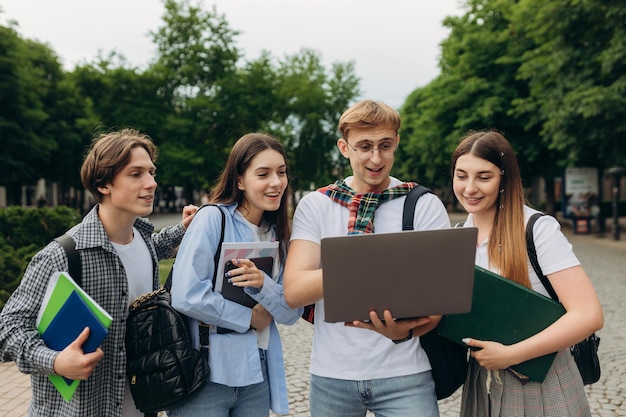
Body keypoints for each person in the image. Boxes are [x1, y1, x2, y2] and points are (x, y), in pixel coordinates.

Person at [0, 128, 199, 417]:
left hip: (141, 407)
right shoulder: (63, 255)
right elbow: (8, 328)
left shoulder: (143, 241)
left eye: (152, 172)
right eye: (136, 174)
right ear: (104, 185)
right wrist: (55, 361)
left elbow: (150, 249)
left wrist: (183, 230)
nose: (152, 183)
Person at [283, 99, 450, 417]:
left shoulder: (423, 204)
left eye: (385, 146)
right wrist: (366, 261)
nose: (376, 158)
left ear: (397, 143)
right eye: (364, 147)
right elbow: (294, 291)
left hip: (406, 373)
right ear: (344, 148)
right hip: (333, 375)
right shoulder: (316, 205)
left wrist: (407, 331)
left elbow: (440, 300)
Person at [451, 130, 604, 416]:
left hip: (541, 379)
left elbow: (588, 314)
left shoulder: (536, 228)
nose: (470, 188)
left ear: (504, 179)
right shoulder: (457, 236)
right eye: (461, 175)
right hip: (481, 380)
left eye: (484, 177)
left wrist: (511, 355)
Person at [168, 133, 303, 417]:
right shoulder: (212, 218)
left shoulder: (280, 233)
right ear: (240, 180)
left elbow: (292, 312)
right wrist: (248, 318)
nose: (276, 182)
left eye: (281, 172)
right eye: (263, 174)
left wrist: (263, 285)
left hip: (257, 371)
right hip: (205, 372)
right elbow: (186, 294)